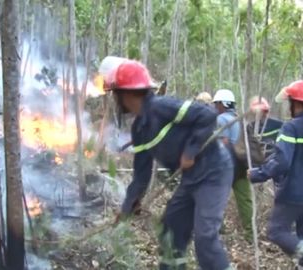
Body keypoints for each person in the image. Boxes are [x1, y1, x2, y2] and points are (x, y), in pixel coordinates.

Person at [100, 58, 235, 270]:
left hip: (214, 171)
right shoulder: (140, 129)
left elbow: (207, 115)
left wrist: (190, 151)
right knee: (170, 232)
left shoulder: (161, 107)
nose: (116, 100)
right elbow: (141, 176)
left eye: (116, 94)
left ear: (125, 93)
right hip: (191, 179)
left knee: (205, 236)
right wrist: (127, 206)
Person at [248, 80, 303, 270]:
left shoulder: (291, 128)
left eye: (290, 103)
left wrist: (257, 174)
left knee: (276, 231)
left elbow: (282, 161)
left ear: (296, 103)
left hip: (293, 193)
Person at [213, 89, 253, 242]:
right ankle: (250, 235)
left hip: (224, 167)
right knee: (245, 201)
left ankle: (219, 230)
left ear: (222, 104)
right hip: (242, 166)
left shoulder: (220, 120)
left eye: (216, 104)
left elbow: (219, 144)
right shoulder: (241, 119)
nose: (215, 108)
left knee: (216, 199)